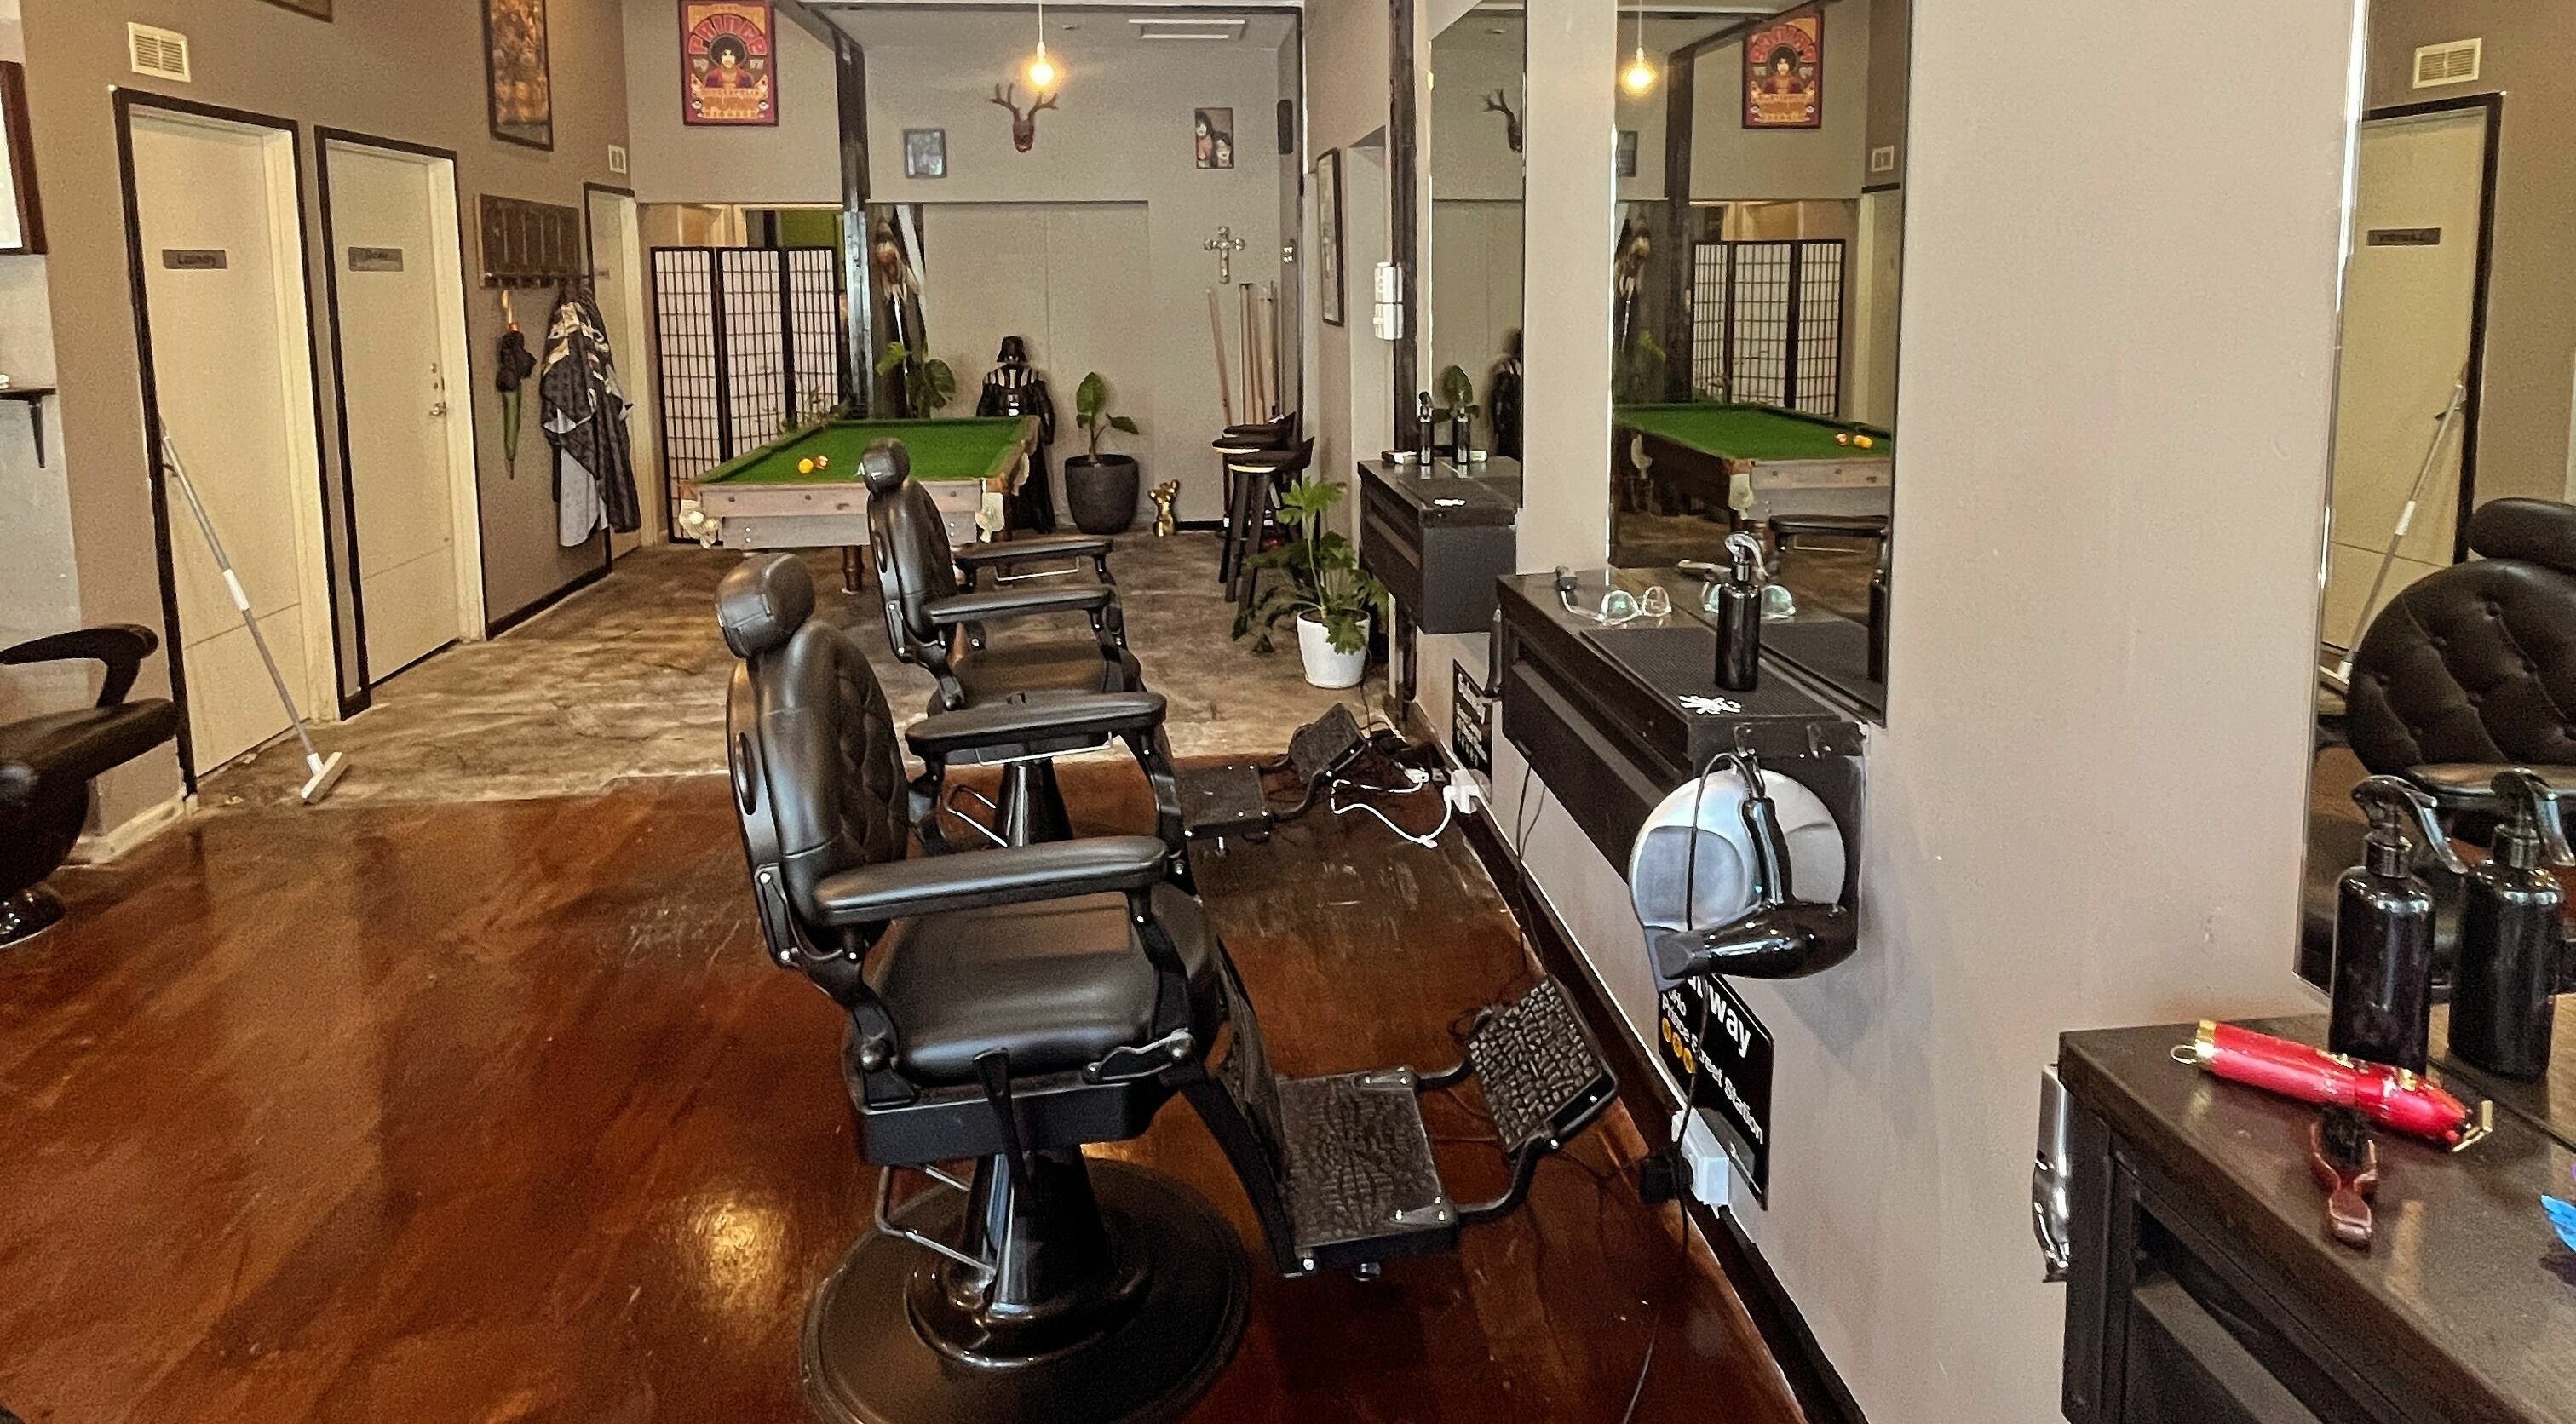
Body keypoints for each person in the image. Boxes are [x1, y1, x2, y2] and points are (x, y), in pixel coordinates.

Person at [977, 336, 1059, 532]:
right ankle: (1004, 521)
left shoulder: (1032, 377)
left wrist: (1047, 433)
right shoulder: (993, 379)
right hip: (1002, 436)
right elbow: (984, 408)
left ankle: (1038, 519)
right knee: (1003, 480)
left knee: (1034, 477)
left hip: (1028, 434)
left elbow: (1044, 406)